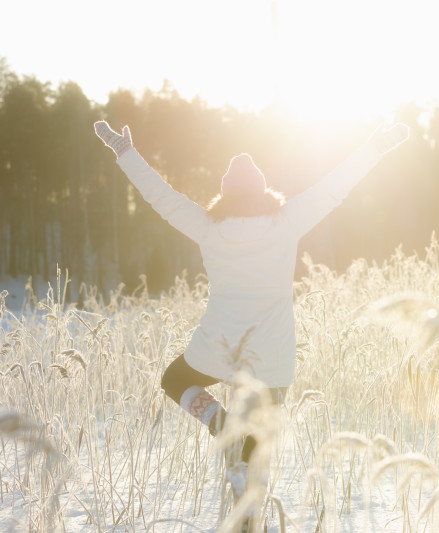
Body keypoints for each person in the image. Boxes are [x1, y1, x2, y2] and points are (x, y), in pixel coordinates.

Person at [93, 119, 409, 496]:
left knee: (174, 381)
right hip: (272, 353)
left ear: (224, 194)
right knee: (258, 449)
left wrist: (125, 153)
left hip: (218, 346)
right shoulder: (286, 222)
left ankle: (219, 422)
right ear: (263, 190)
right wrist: (376, 147)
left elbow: (161, 196)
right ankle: (249, 511)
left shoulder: (207, 227)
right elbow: (332, 189)